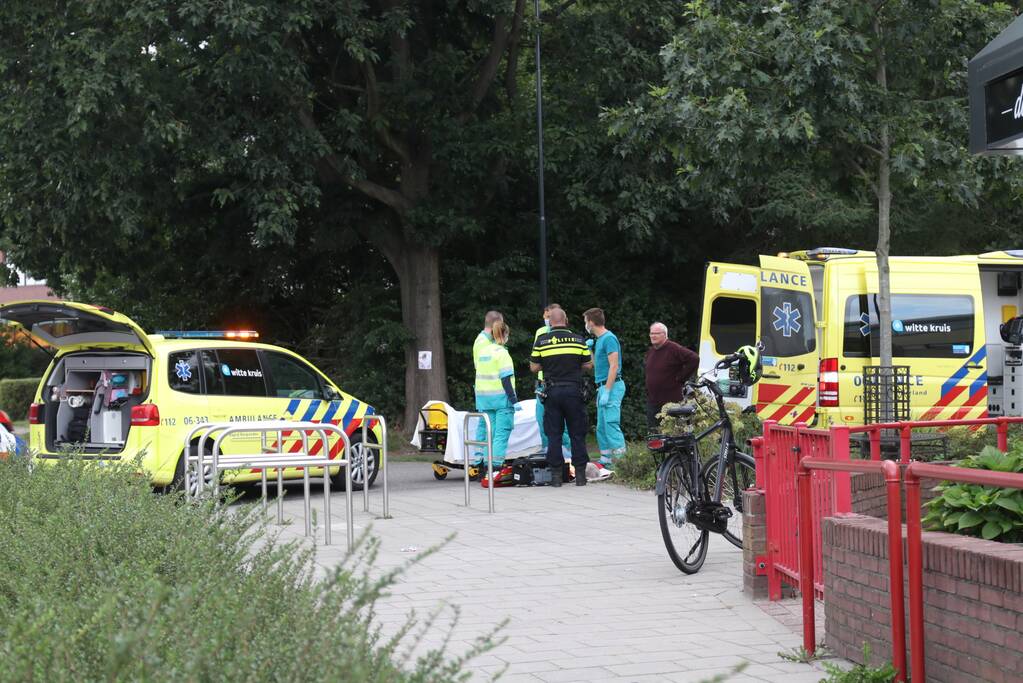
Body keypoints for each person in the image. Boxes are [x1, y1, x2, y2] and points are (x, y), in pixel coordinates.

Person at [530, 307, 592, 487]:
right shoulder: (578, 339)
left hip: (552, 391)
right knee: (577, 433)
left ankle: (556, 477)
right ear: (565, 320)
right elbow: (588, 364)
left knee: (554, 434)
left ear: (550, 321)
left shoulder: (542, 340)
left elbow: (534, 367)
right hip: (574, 391)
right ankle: (580, 476)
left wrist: (548, 365)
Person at [584, 308, 626, 468]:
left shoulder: (609, 339)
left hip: (612, 386)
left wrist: (607, 391)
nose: (585, 325)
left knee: (611, 424)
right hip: (603, 386)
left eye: (586, 321)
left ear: (592, 322)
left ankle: (623, 464)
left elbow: (614, 366)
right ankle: (606, 461)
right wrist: (590, 351)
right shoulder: (600, 340)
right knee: (602, 427)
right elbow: (596, 366)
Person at [644, 322, 699, 431]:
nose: (653, 336)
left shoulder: (673, 348)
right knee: (654, 434)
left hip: (671, 402)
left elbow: (694, 359)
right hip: (653, 401)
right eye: (651, 333)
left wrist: (682, 378)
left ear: (664, 334)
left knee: (672, 434)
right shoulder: (651, 351)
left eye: (656, 333)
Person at [533, 303, 571, 453]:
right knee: (542, 420)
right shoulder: (540, 332)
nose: (546, 319)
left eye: (549, 316)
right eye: (545, 316)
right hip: (543, 382)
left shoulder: (566, 332)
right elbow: (536, 358)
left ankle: (567, 452)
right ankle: (548, 451)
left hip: (560, 381)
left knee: (564, 421)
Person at [484, 320, 519, 466]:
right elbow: (505, 379)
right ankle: (496, 467)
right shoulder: (502, 353)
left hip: (485, 400)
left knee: (489, 434)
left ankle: (486, 466)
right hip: (501, 399)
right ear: (505, 334)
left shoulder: (484, 351)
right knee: (501, 434)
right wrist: (513, 400)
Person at [473, 310, 505, 466]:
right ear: (495, 325)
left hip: (486, 391)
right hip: (489, 391)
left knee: (485, 426)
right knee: (485, 427)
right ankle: (480, 460)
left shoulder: (482, 341)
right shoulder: (485, 343)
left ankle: (481, 459)